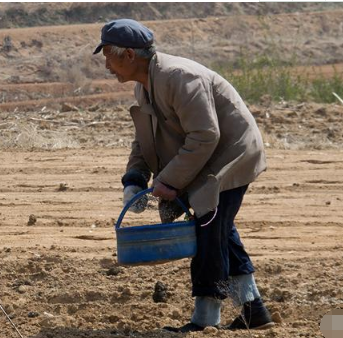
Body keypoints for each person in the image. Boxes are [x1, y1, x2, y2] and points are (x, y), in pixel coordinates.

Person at [93, 19, 274, 332]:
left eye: (109, 54)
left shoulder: (179, 77)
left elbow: (205, 135)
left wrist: (168, 182)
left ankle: (205, 320)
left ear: (130, 56)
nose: (106, 64)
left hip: (230, 157)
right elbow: (145, 139)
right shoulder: (145, 84)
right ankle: (252, 310)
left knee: (208, 233)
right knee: (219, 231)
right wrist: (135, 178)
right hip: (204, 160)